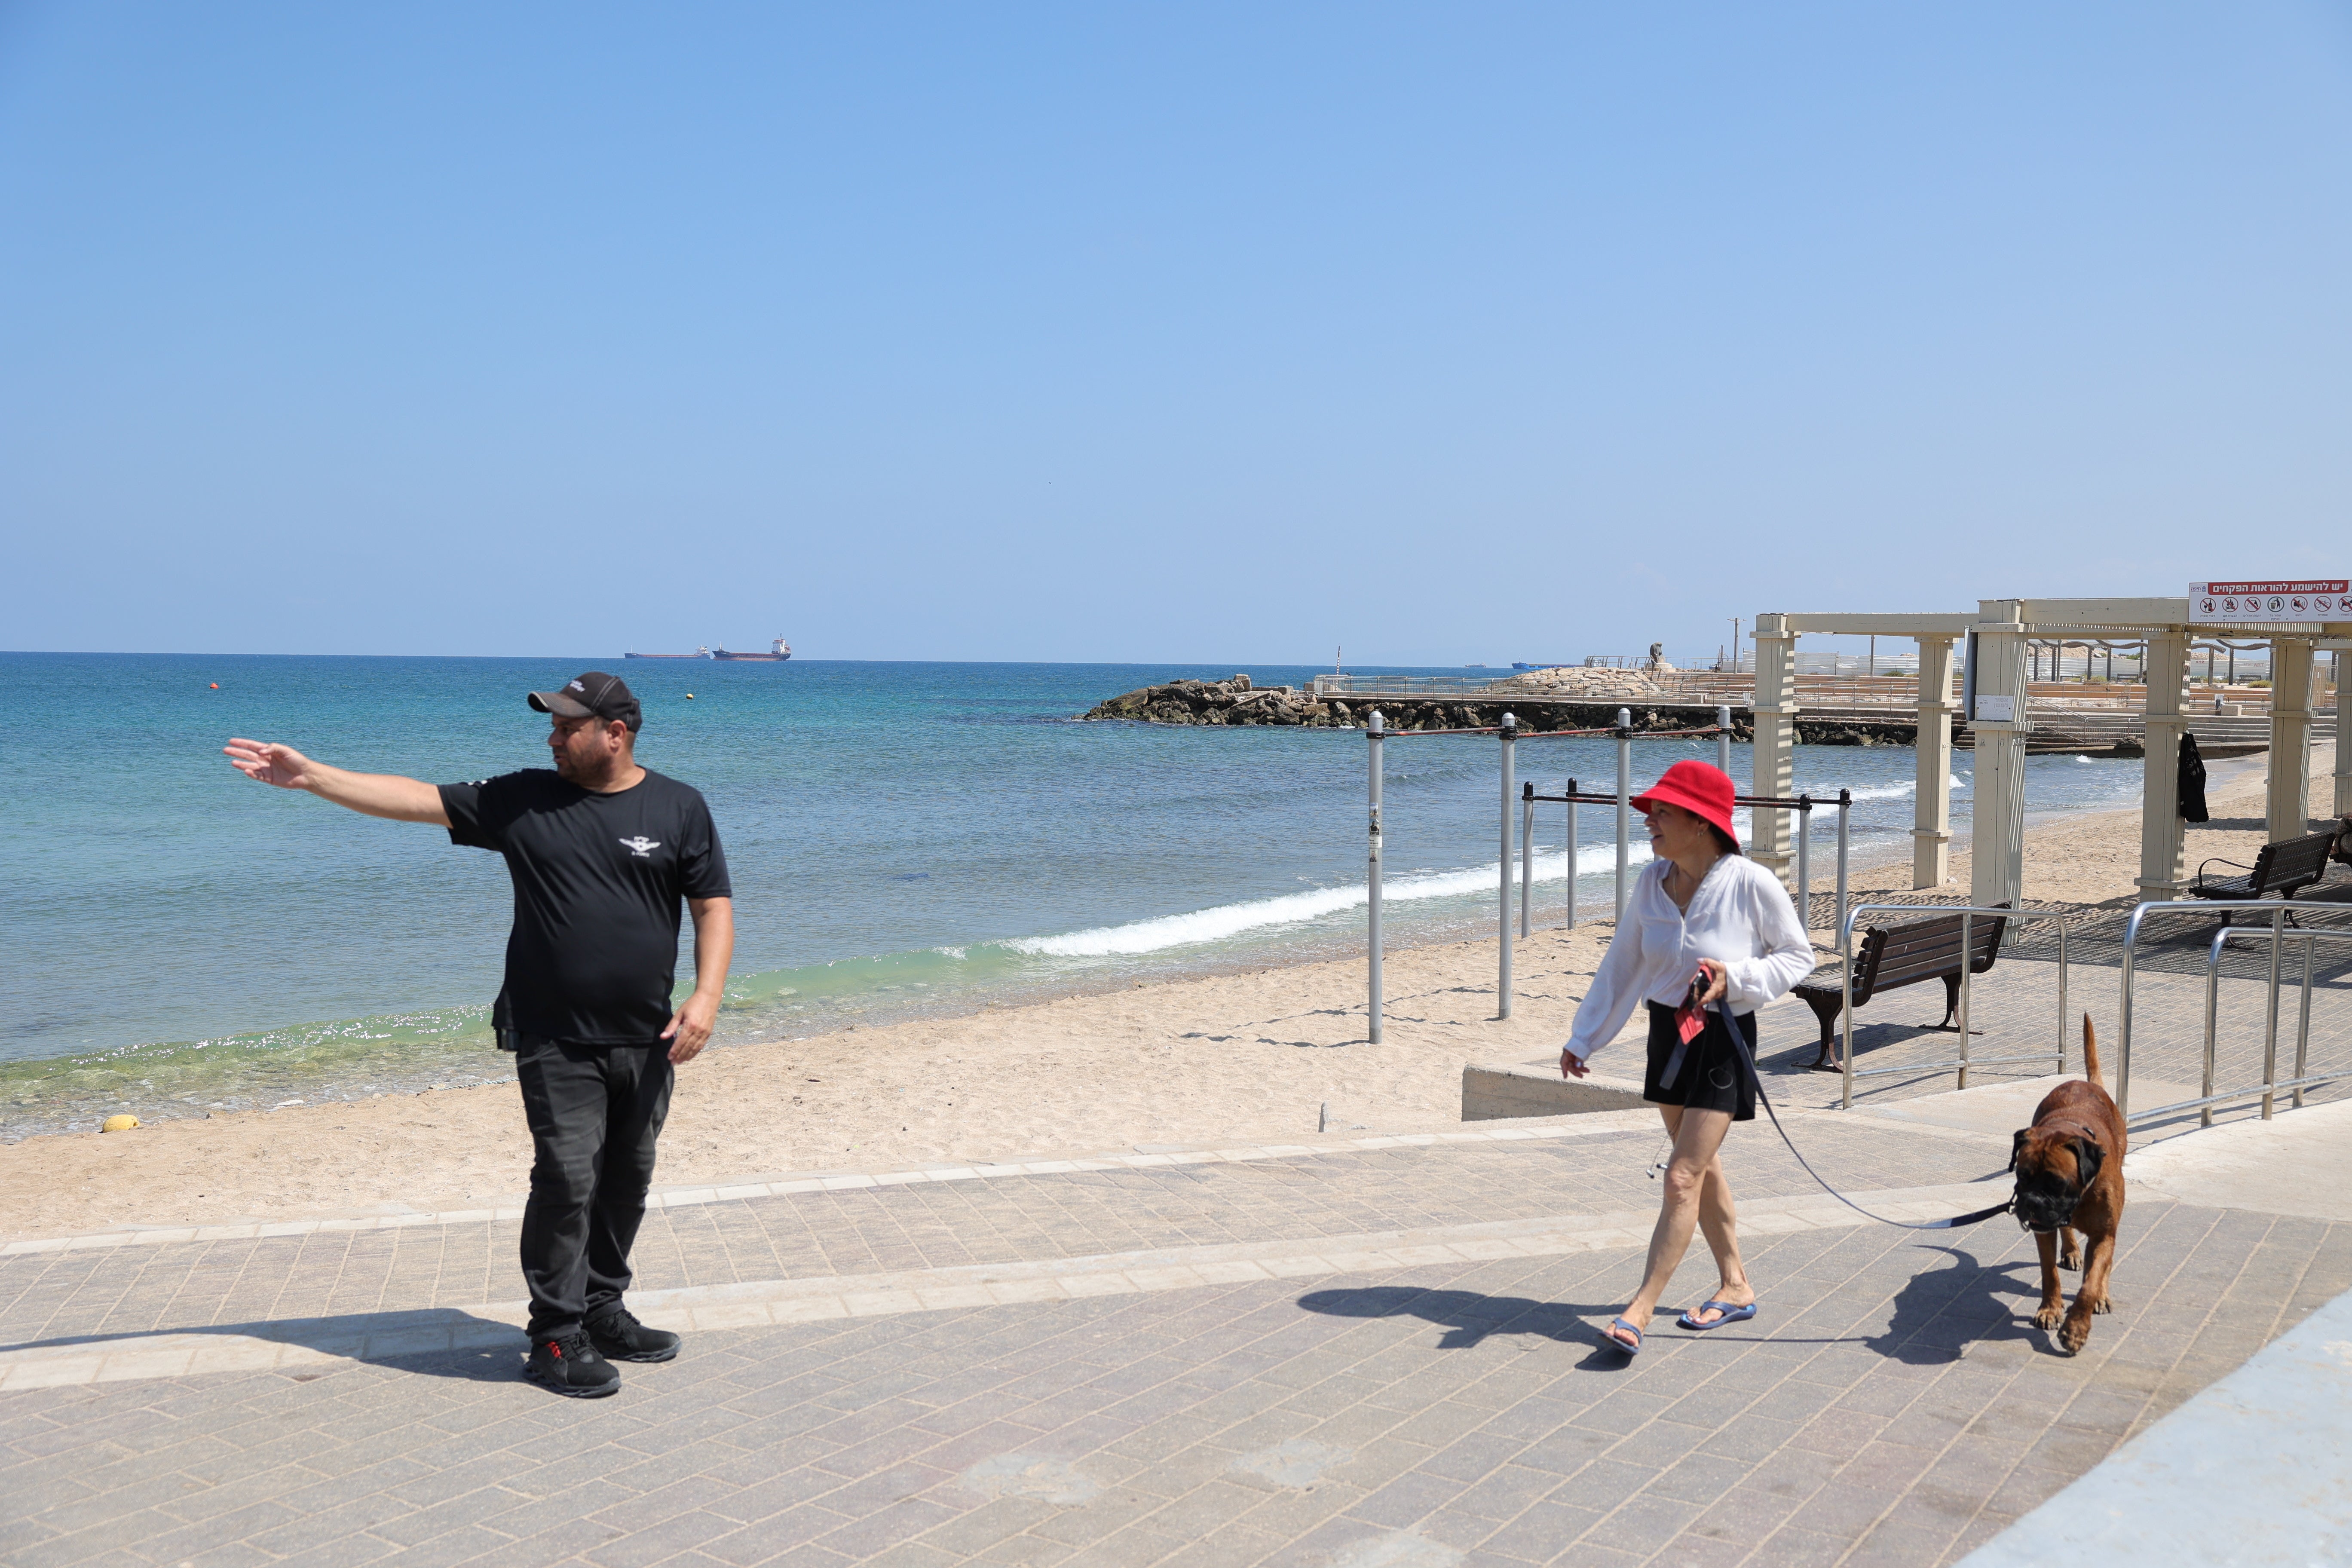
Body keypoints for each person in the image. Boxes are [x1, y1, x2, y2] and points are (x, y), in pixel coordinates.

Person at [224, 671, 734, 1398]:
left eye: (567, 727)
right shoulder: (524, 799)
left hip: (651, 1036)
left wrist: (707, 997)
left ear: (614, 734)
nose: (552, 739)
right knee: (567, 1178)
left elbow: (712, 905)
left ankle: (602, 1308)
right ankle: (556, 1338)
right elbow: (416, 799)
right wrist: (313, 778)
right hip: (554, 1033)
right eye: (552, 727)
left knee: (627, 1179)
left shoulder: (680, 806)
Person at [1559, 759, 1812, 1357]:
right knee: (1701, 1169)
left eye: (1663, 812)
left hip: (1724, 1037)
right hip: (1667, 1036)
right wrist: (1584, 1037)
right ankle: (1736, 1285)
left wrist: (1739, 976)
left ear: (1701, 822)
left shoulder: (1750, 882)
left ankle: (1639, 1310)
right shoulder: (1652, 883)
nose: (1650, 820)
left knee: (1681, 1176)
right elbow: (1624, 966)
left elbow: (1798, 957)